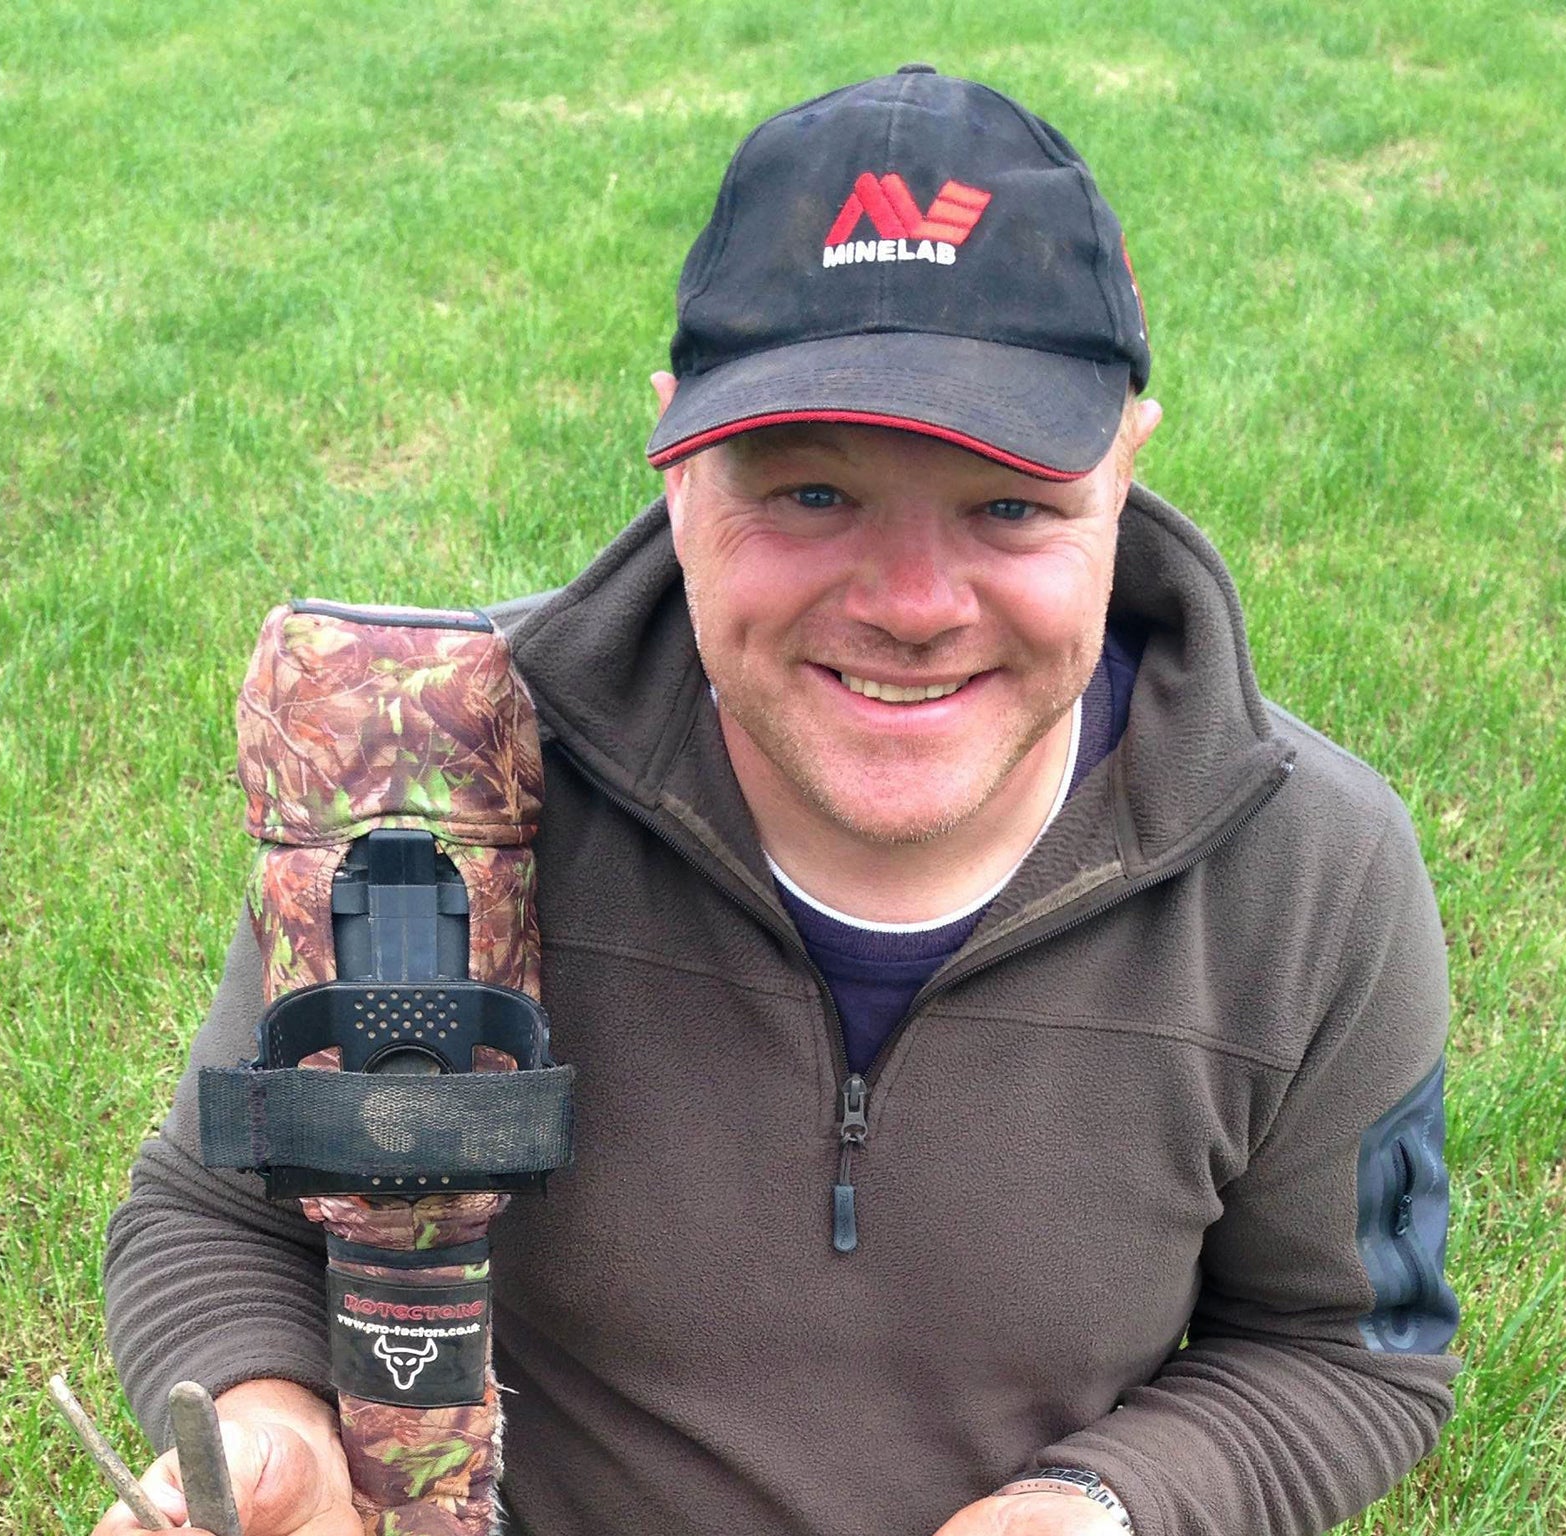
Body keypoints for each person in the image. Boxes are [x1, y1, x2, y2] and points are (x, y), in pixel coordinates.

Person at [97, 66, 1460, 1536]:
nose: (916, 607)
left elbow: (1358, 1345)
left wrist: (1097, 1510)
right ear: (677, 457)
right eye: (811, 494)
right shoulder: (424, 776)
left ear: (1125, 467)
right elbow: (212, 1214)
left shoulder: (1316, 870)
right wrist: (269, 1420)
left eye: (1009, 506)